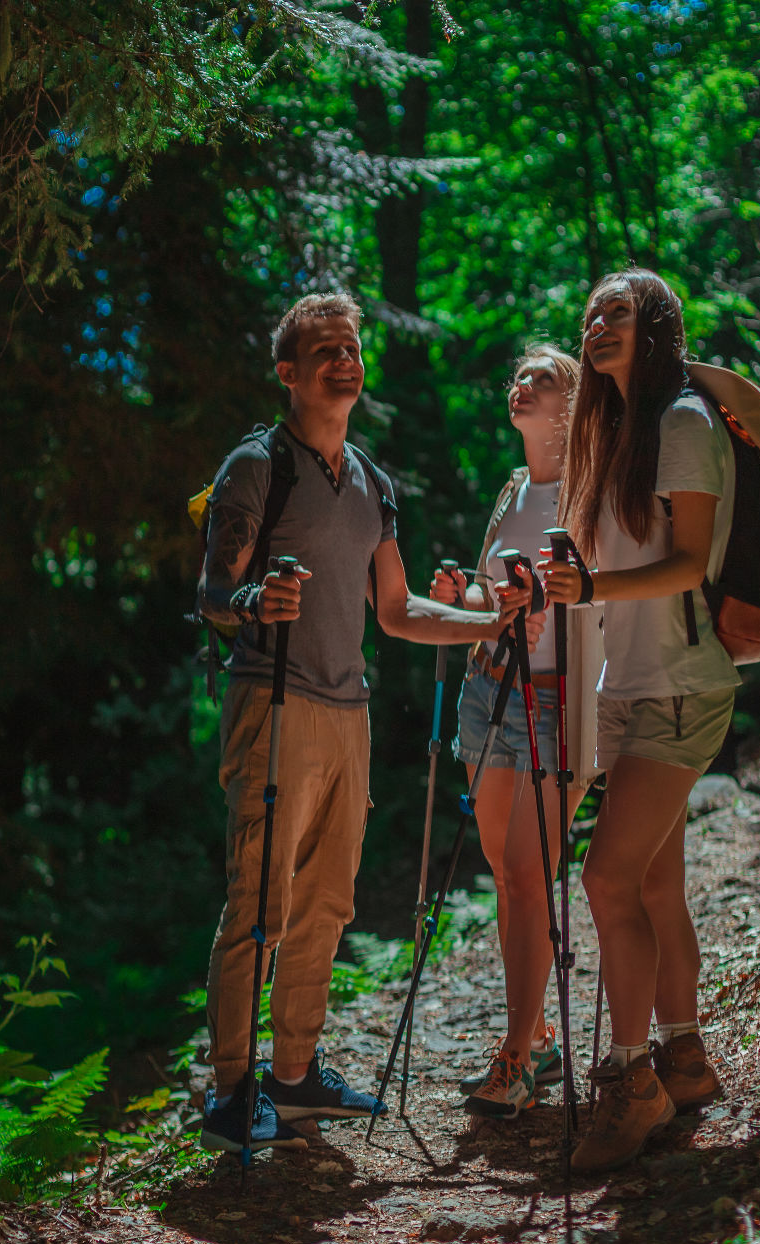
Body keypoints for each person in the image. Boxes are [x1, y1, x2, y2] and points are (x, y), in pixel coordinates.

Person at [194, 292, 542, 1153]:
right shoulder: (255, 466)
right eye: (324, 351)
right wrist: (250, 599)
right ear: (288, 372)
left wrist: (486, 624)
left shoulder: (371, 480)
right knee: (259, 899)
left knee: (329, 899)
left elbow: (396, 607)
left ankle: (296, 1074)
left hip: (349, 711)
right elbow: (211, 595)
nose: (344, 361)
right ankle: (233, 1090)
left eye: (351, 348)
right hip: (270, 702)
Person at [538, 269, 760, 1171]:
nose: (597, 323)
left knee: (605, 881)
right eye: (590, 310)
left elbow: (686, 564)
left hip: (681, 688)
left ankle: (628, 1077)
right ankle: (685, 1060)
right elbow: (597, 569)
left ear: (655, 328)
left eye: (618, 312)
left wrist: (592, 585)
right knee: (648, 886)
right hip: (627, 686)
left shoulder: (681, 422)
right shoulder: (610, 437)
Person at [426, 342, 605, 1120]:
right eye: (518, 378)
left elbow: (604, 600)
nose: (519, 387)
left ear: (573, 406)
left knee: (529, 873)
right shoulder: (511, 490)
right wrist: (460, 592)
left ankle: (516, 1055)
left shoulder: (588, 495)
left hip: (554, 700)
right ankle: (534, 1036)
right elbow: (489, 594)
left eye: (541, 378)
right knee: (505, 869)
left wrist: (549, 613)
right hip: (485, 688)